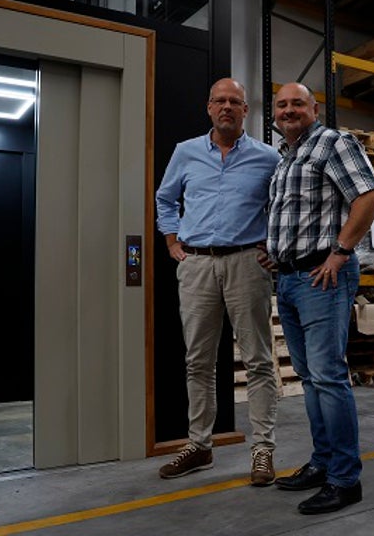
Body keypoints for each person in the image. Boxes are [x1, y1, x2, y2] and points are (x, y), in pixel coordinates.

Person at [155, 78, 281, 486]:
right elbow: (165, 198)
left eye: (235, 101)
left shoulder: (268, 158)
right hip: (197, 265)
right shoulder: (186, 152)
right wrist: (173, 241)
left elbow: (282, 207)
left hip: (248, 263)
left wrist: (273, 246)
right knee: (198, 360)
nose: (227, 107)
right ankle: (200, 445)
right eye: (220, 101)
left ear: (246, 110)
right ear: (208, 107)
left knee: (259, 360)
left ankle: (262, 450)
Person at [266, 82, 374, 514]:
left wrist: (341, 252)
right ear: (273, 113)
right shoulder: (285, 158)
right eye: (281, 104)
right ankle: (322, 462)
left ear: (314, 108)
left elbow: (370, 195)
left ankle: (344, 479)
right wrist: (275, 251)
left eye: (298, 103)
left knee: (329, 376)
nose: (289, 110)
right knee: (312, 378)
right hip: (292, 278)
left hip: (323, 276)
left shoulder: (334, 142)